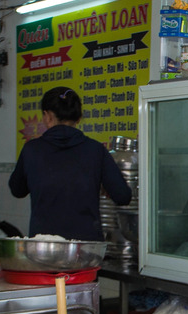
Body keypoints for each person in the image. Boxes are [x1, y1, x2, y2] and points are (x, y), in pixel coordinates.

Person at [8, 86, 132, 241]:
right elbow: (123, 196)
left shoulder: (32, 150)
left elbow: (17, 190)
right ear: (79, 118)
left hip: (45, 247)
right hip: (86, 248)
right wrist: (99, 182)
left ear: (47, 116)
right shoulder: (95, 150)